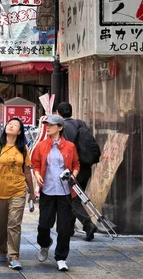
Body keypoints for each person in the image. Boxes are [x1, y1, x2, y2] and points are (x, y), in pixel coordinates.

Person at [0, 118, 35, 270]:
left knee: (14, 224)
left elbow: (27, 172)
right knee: (1, 225)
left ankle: (14, 256)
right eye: (9, 124)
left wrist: (31, 192)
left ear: (19, 132)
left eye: (15, 125)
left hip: (18, 191)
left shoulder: (24, 149)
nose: (11, 126)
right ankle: (2, 250)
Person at [31, 115, 80, 272]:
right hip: (47, 190)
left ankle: (61, 258)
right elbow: (36, 164)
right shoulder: (42, 146)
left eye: (51, 125)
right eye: (47, 124)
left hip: (65, 192)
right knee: (44, 225)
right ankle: (45, 244)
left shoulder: (70, 146)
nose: (48, 127)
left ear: (60, 127)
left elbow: (76, 164)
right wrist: (37, 174)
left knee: (64, 228)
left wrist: (74, 175)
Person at [56, 102, 98, 241]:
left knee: (73, 201)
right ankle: (70, 227)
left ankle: (88, 225)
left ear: (58, 113)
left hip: (73, 169)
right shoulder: (82, 124)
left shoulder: (62, 127)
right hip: (86, 168)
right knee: (75, 199)